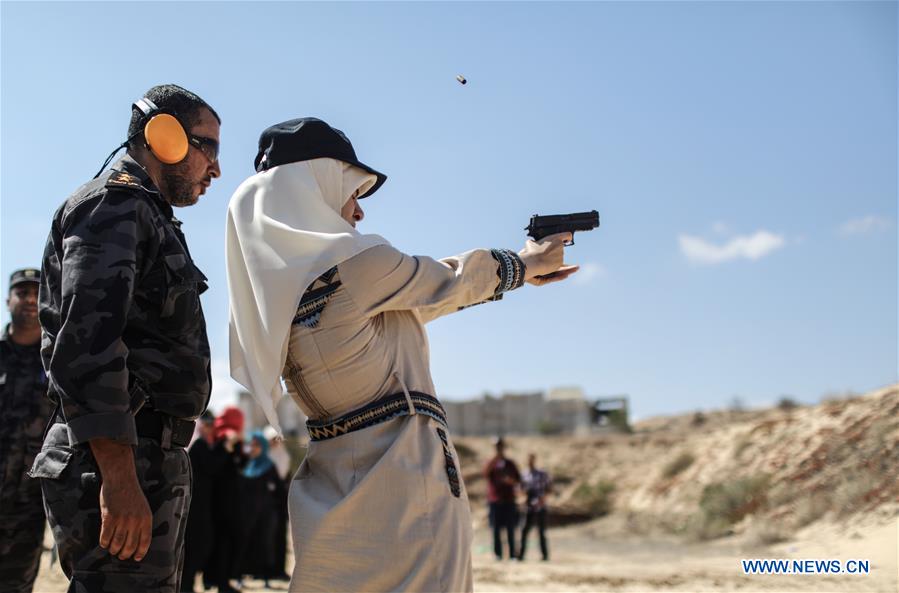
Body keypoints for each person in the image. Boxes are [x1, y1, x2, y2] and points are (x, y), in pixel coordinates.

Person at [226, 117, 579, 592]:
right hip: (405, 483)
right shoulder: (357, 268)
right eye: (352, 194)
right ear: (318, 188)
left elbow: (418, 301)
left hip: (334, 490)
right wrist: (527, 263)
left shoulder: (274, 299)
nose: (358, 212)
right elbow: (446, 281)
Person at [29, 84, 221, 593]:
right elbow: (87, 345)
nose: (216, 169)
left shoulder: (147, 214)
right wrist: (119, 480)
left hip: (146, 458)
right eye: (210, 147)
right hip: (119, 461)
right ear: (166, 137)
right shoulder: (114, 207)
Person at [0, 269, 54, 593]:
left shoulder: (57, 363)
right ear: (9, 301)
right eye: (22, 292)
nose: (31, 299)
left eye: (37, 292)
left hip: (29, 505)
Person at [206, 407, 248, 593]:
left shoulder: (233, 439)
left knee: (227, 543)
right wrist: (227, 446)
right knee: (222, 543)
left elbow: (242, 464)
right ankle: (220, 582)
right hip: (221, 501)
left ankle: (220, 581)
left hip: (231, 500)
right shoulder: (221, 438)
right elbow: (213, 466)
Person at [181, 412, 223, 593]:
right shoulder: (199, 446)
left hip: (203, 505)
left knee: (201, 547)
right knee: (194, 548)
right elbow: (212, 467)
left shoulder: (206, 445)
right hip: (195, 507)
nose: (209, 428)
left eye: (211, 425)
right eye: (206, 425)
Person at [239, 430, 287, 587]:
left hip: (266, 514)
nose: (253, 448)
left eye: (257, 445)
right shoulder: (247, 465)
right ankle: (241, 577)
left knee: (266, 545)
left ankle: (266, 578)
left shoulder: (269, 466)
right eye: (251, 445)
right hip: (247, 513)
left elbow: (279, 490)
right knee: (245, 543)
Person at [485, 437, 521, 560]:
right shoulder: (491, 463)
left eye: (500, 447)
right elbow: (485, 474)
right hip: (495, 500)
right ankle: (497, 554)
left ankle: (512, 555)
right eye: (497, 447)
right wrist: (495, 459)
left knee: (510, 528)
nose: (499, 449)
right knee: (495, 529)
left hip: (509, 500)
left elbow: (518, 479)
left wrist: (511, 481)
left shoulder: (510, 463)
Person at [518, 452, 552, 561]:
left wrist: (543, 499)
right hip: (529, 507)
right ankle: (521, 555)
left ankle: (544, 555)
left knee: (541, 532)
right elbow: (520, 489)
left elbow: (549, 488)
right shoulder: (524, 474)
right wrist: (524, 497)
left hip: (540, 506)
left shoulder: (542, 474)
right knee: (524, 531)